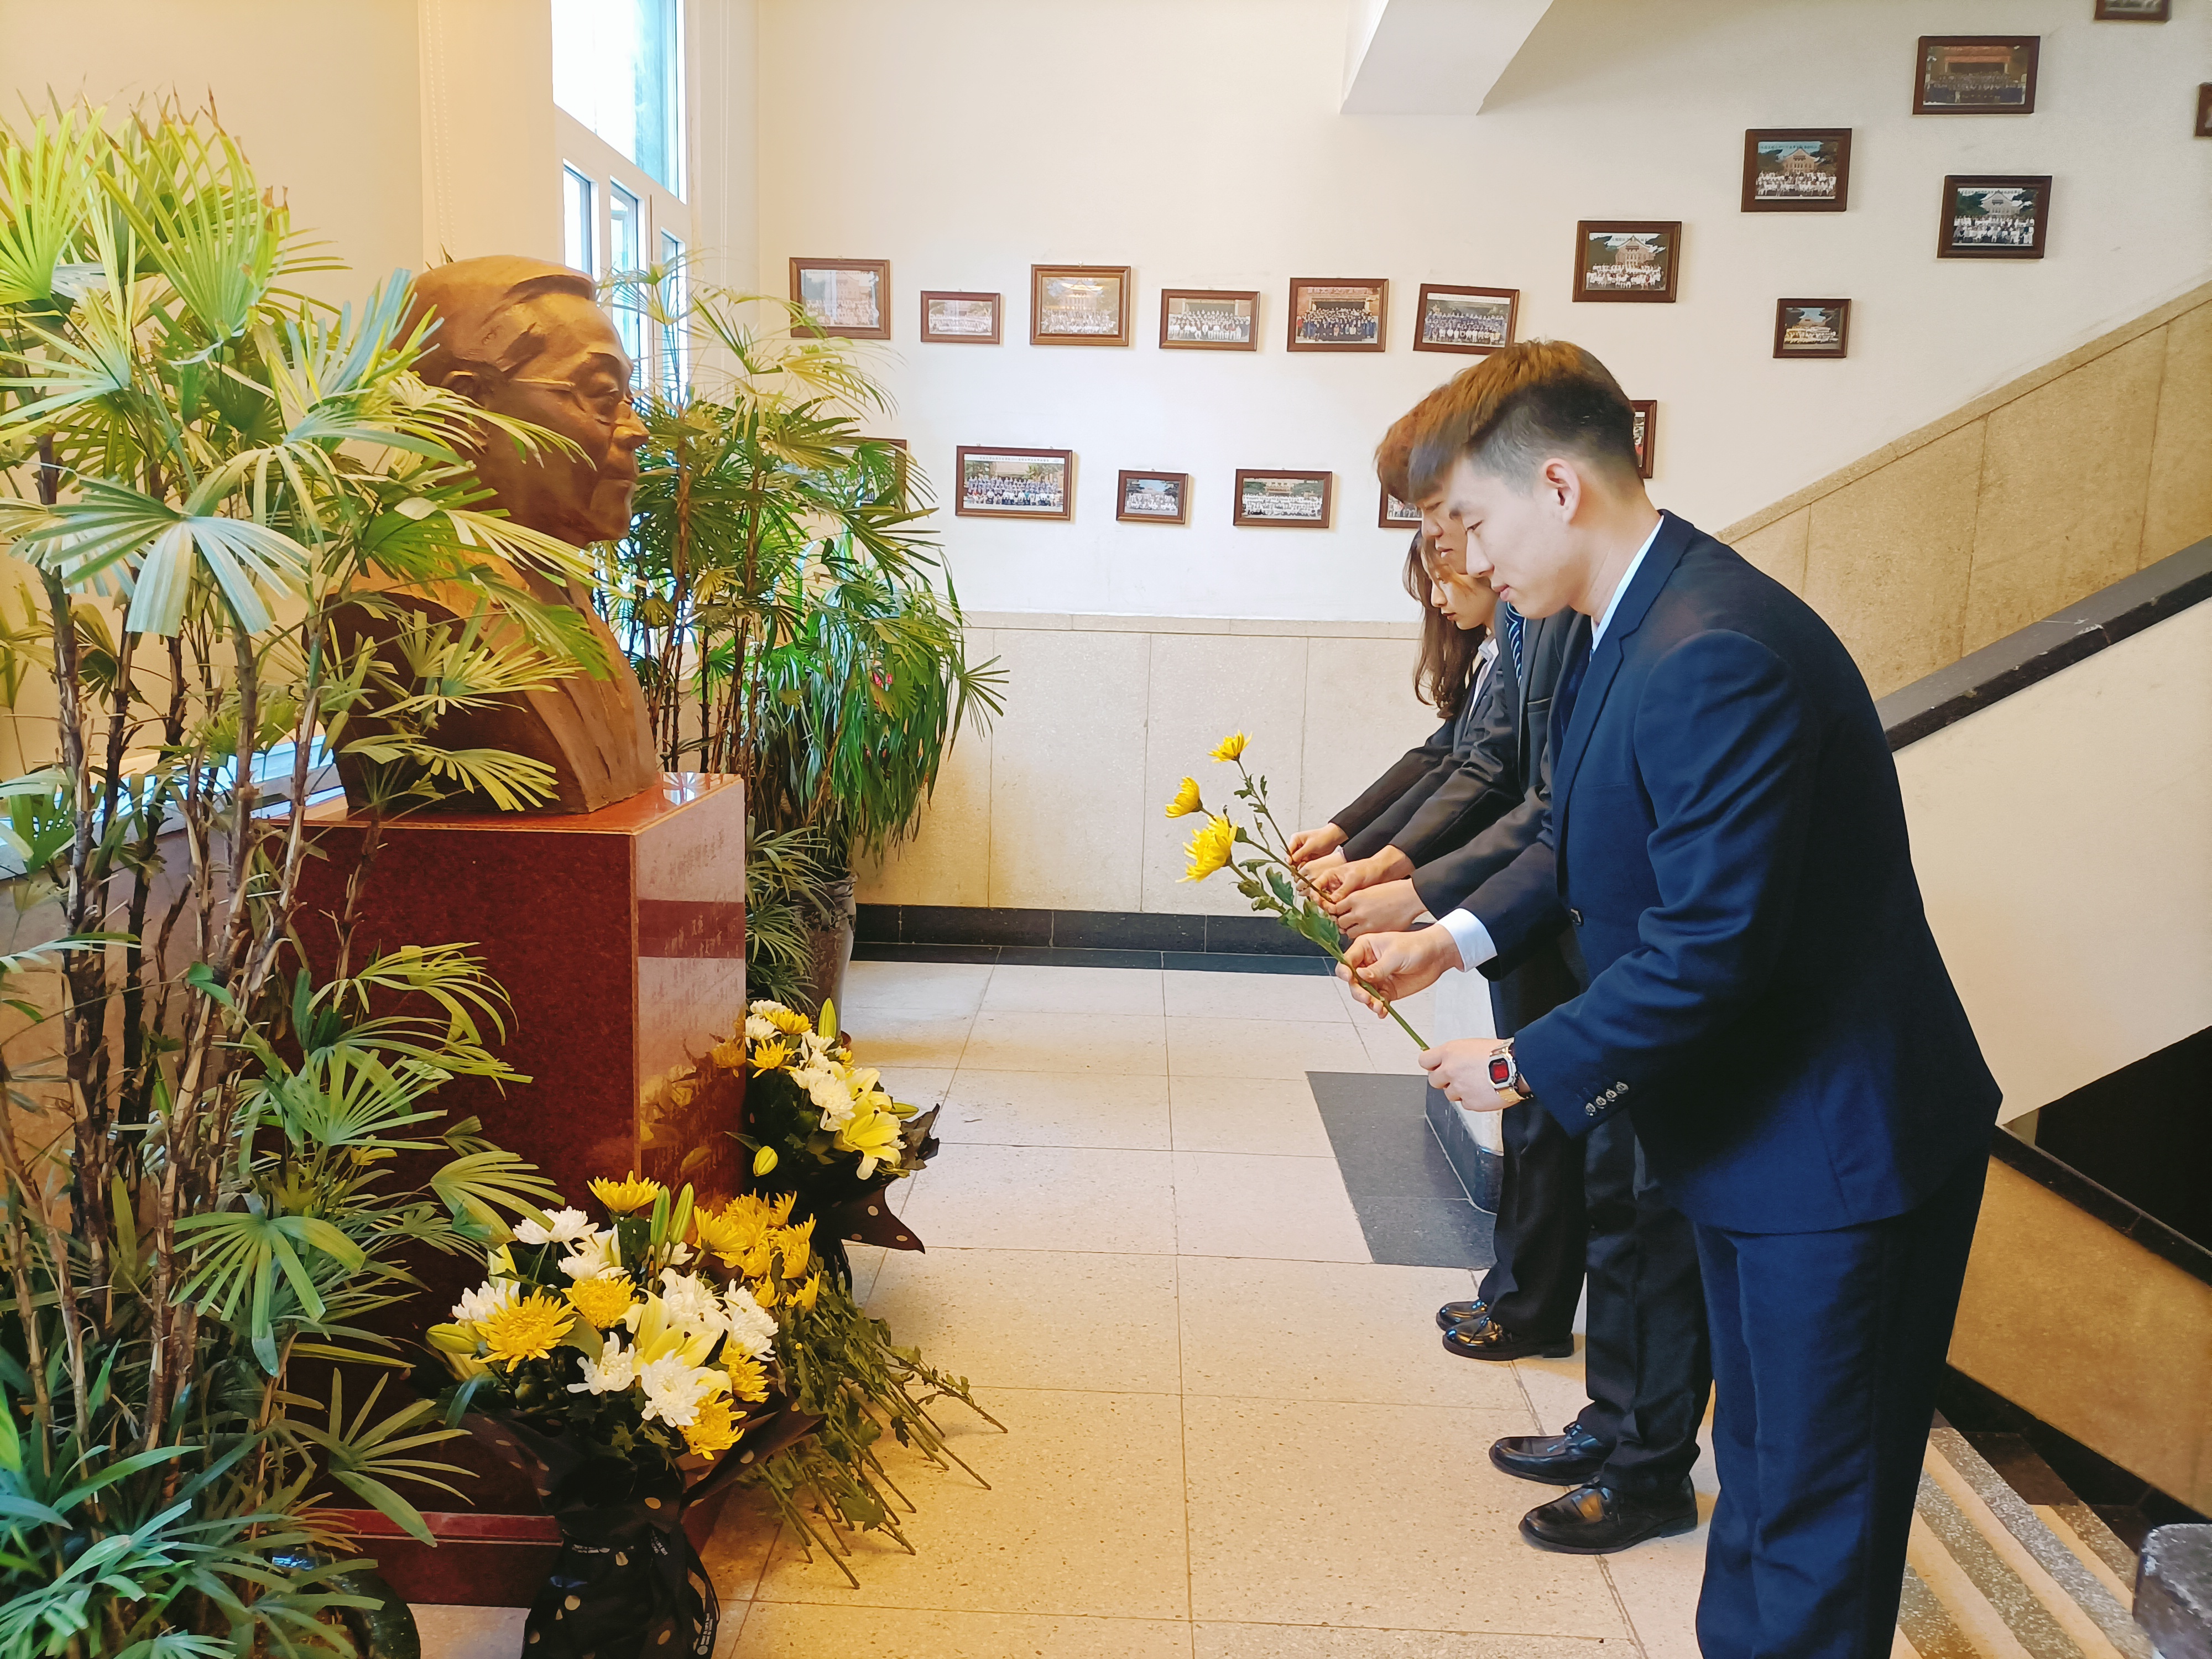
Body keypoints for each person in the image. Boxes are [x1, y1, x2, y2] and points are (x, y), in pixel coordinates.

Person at [1340, 340, 2001, 1655]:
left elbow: (1711, 945)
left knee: (1809, 1514)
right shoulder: (1626, 623)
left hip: (1834, 1150)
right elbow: (1572, 840)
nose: (1465, 558)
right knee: (1759, 1483)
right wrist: (1446, 943)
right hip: (1757, 1133)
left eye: (1469, 519)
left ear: (1556, 486)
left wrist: (1521, 1064)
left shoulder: (1716, 646)